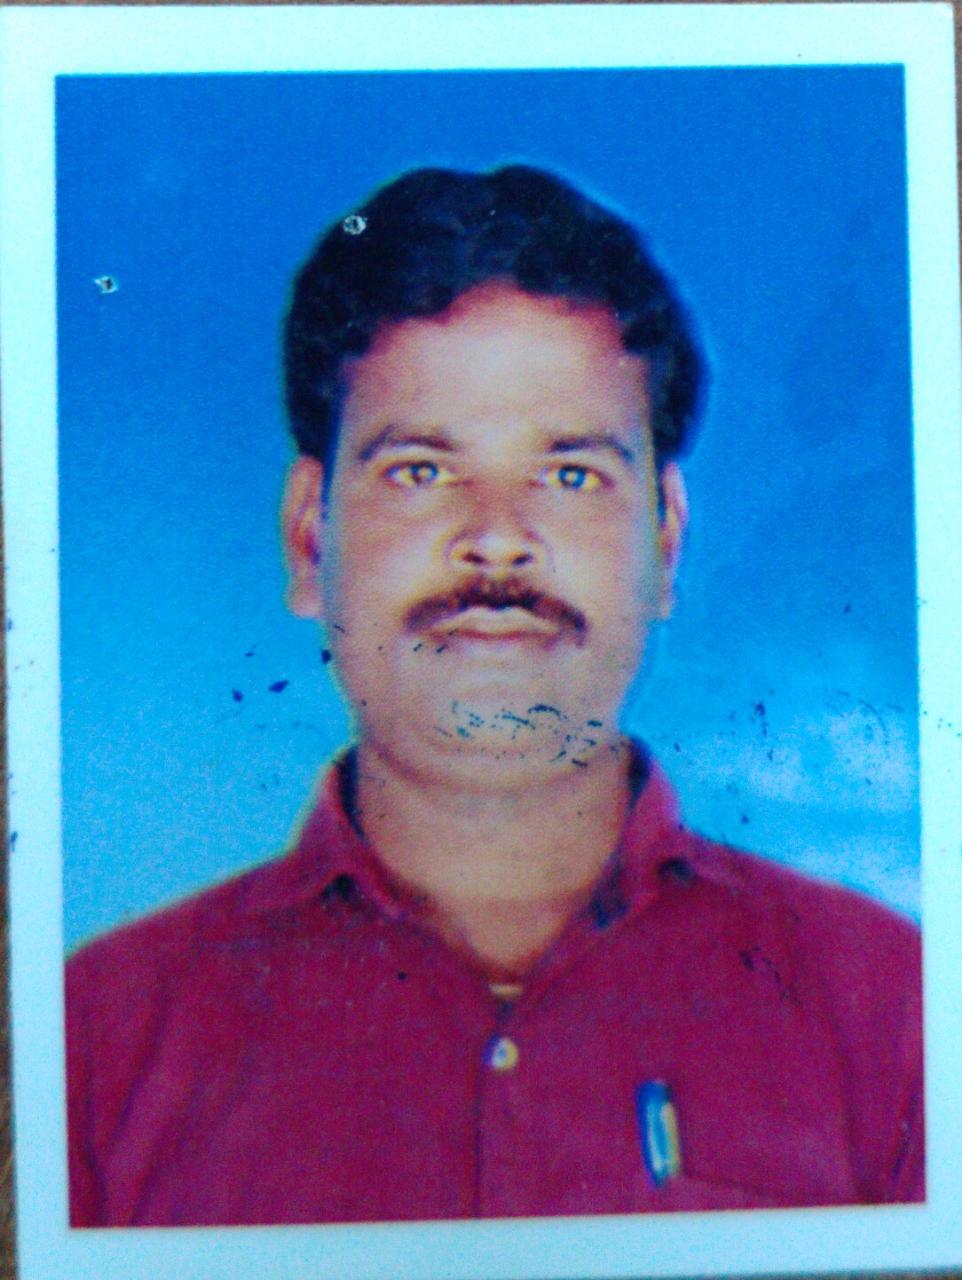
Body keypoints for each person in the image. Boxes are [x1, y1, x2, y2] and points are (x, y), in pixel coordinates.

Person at [66, 165, 923, 1227]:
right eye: (420, 470)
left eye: (569, 475)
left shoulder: (891, 1010)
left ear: (664, 539)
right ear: (308, 535)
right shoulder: (97, 1040)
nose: (497, 538)